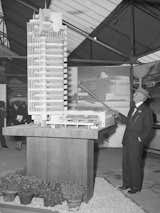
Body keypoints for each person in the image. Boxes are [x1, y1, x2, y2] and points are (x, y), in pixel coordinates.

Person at [116, 88, 153, 194]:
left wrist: (140, 138)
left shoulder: (147, 111)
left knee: (135, 164)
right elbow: (128, 122)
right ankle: (126, 184)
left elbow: (148, 128)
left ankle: (135, 187)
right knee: (126, 163)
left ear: (142, 97)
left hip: (136, 142)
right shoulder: (132, 108)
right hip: (127, 139)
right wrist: (118, 115)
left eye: (136, 94)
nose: (134, 95)